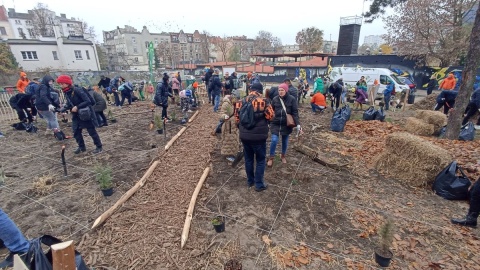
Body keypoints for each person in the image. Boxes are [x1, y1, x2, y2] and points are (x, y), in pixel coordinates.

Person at [235, 82, 274, 192]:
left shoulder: (241, 101)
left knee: (248, 159)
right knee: (260, 160)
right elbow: (271, 116)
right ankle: (259, 184)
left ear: (251, 89)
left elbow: (237, 119)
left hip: (245, 136)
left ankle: (250, 181)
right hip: (259, 137)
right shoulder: (264, 101)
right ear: (260, 91)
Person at [57, 75, 103, 154]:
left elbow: (88, 101)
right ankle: (81, 147)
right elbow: (69, 104)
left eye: (62, 83)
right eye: (60, 84)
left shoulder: (78, 90)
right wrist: (61, 110)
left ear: (67, 83)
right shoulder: (67, 92)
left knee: (91, 131)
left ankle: (99, 146)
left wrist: (77, 107)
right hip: (76, 115)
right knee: (76, 132)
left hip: (85, 114)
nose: (61, 85)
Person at [267, 83, 300, 167]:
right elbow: (270, 111)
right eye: (279, 90)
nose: (280, 92)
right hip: (276, 123)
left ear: (286, 90)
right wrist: (268, 121)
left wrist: (298, 124)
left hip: (286, 124)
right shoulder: (275, 99)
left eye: (282, 90)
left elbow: (295, 112)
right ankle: (271, 157)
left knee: (285, 141)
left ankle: (283, 155)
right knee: (274, 140)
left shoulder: (292, 99)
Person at [219, 95, 238, 161]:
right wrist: (226, 117)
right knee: (228, 139)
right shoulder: (226, 104)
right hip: (228, 124)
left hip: (233, 124)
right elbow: (221, 114)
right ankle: (228, 155)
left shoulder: (231, 104)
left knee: (233, 139)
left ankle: (232, 153)